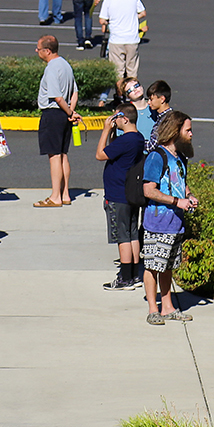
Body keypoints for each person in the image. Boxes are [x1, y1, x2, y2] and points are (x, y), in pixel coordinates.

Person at [138, 111, 197, 325]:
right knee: (153, 266)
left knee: (168, 266)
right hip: (157, 223)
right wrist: (176, 201)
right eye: (187, 130)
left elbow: (181, 183)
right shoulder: (157, 156)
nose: (191, 134)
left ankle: (168, 306)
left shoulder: (180, 158)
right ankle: (153, 309)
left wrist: (189, 196)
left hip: (175, 224)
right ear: (175, 131)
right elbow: (148, 190)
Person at [97, 103, 144, 291]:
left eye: (116, 117)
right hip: (129, 194)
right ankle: (133, 274)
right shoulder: (137, 138)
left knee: (122, 237)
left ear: (125, 118)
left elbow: (100, 154)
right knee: (132, 234)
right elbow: (112, 150)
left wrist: (105, 130)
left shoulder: (126, 140)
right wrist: (112, 132)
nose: (114, 121)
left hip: (118, 195)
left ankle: (125, 279)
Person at [34, 36, 79, 208]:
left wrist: (68, 111)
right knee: (63, 154)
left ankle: (55, 196)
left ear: (47, 50)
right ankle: (65, 193)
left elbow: (57, 97)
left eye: (38, 48)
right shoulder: (65, 65)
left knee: (54, 156)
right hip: (64, 115)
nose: (36, 51)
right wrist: (71, 112)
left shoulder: (52, 68)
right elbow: (74, 92)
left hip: (53, 114)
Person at [99, 0, 145, 83]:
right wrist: (132, 17)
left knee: (117, 72)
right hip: (132, 39)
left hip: (116, 40)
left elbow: (102, 20)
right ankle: (132, 96)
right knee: (132, 71)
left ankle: (119, 96)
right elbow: (143, 13)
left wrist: (110, 21)